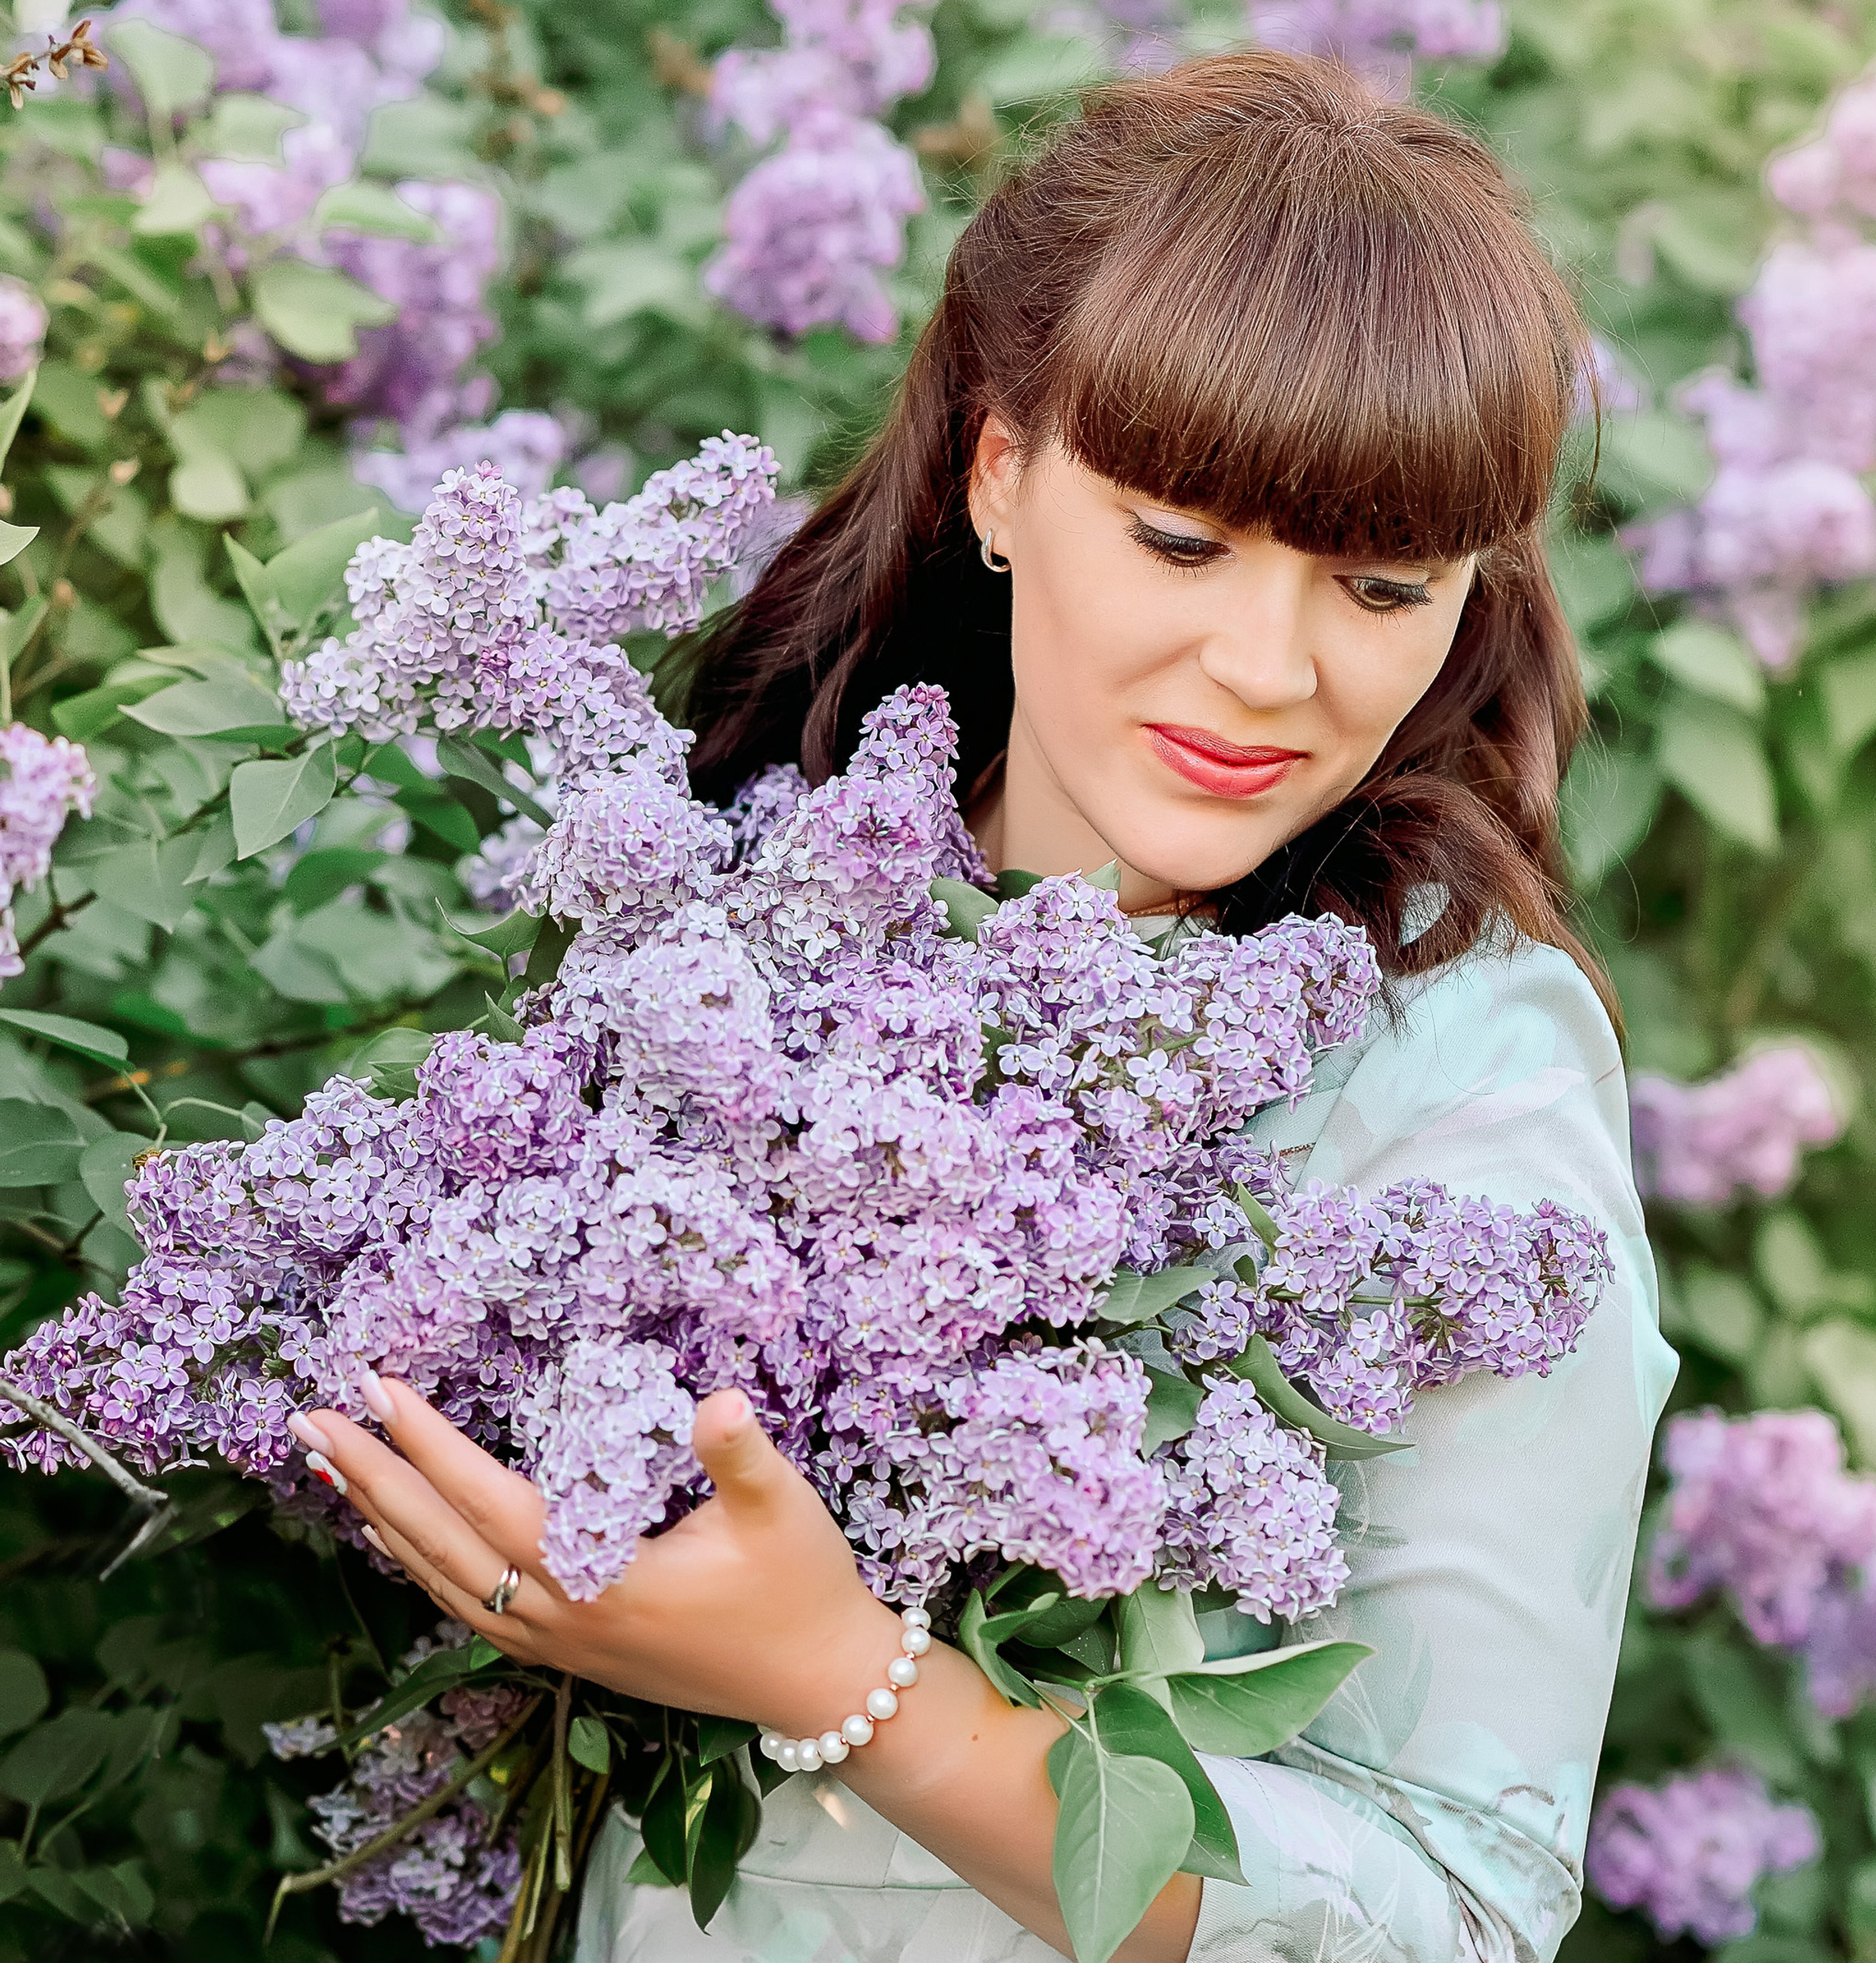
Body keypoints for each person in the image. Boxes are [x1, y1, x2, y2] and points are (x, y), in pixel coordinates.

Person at [294, 49, 1677, 1963]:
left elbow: (1455, 1904)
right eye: (1180, 541)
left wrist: (839, 1674)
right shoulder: (740, 879)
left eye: (1376, 584)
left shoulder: (1455, 1073)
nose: (1264, 666)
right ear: (1002, 473)